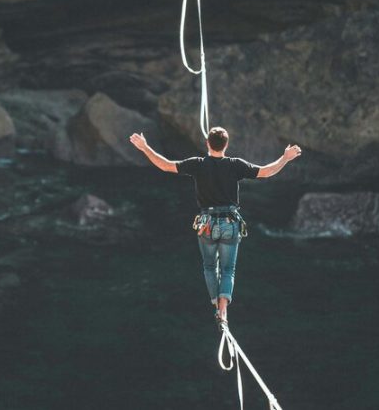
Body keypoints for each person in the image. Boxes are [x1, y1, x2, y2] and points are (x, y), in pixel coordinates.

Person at [129, 127, 301, 324]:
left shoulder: (198, 164)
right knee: (228, 270)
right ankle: (223, 309)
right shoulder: (236, 165)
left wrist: (144, 148)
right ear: (226, 145)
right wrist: (285, 158)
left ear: (207, 144)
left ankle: (215, 304)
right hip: (230, 222)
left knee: (210, 267)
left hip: (207, 223)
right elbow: (266, 172)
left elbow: (166, 165)